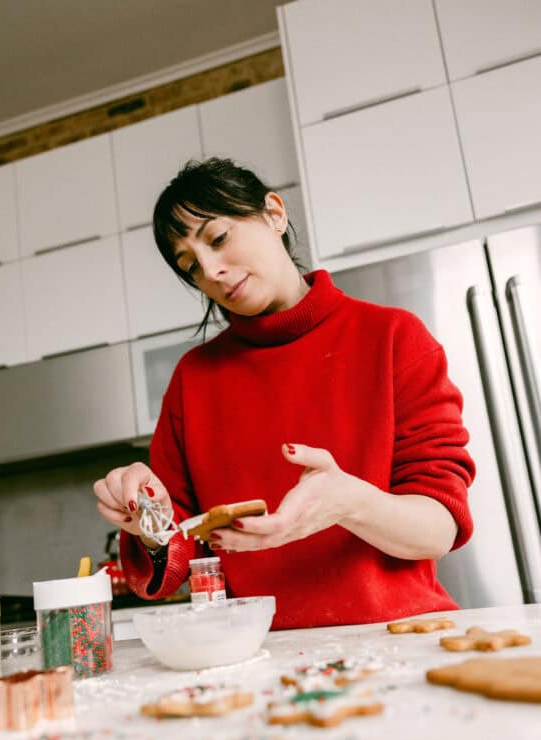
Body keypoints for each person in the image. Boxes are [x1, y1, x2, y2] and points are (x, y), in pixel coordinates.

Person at [93, 157, 476, 629]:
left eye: (218, 238)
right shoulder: (193, 379)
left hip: (401, 636)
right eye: (190, 266)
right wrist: (147, 520)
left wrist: (348, 502)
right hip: (262, 661)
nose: (211, 270)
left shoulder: (393, 337)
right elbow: (177, 560)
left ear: (274, 213)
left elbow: (437, 528)